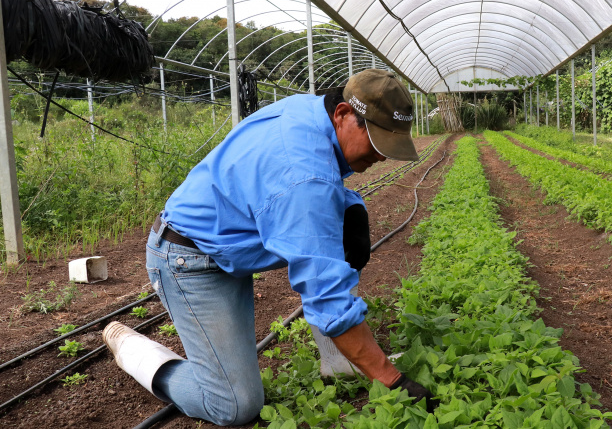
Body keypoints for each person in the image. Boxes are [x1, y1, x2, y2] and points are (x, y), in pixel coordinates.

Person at [103, 69, 435, 426]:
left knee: (342, 229)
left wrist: (350, 205)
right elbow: (324, 288)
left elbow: (302, 188)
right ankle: (135, 350)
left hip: (229, 238)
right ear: (342, 114)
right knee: (234, 404)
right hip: (189, 257)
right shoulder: (304, 172)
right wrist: (392, 380)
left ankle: (340, 362)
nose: (381, 156)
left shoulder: (314, 115)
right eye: (376, 140)